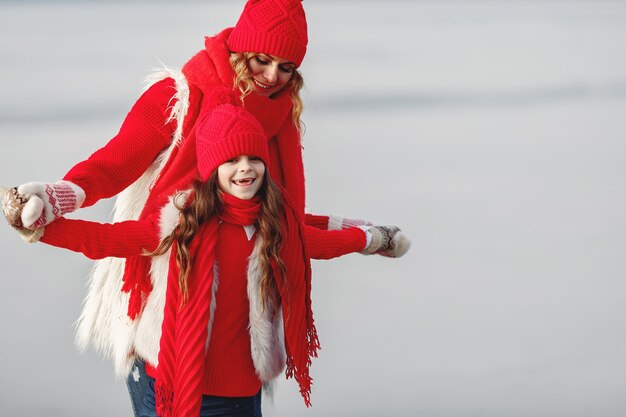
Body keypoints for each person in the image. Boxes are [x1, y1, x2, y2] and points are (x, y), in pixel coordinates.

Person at [3, 0, 410, 415]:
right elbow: (114, 165)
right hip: (169, 309)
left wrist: (365, 234)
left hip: (244, 327)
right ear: (239, 50)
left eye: (286, 67)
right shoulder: (179, 97)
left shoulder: (278, 116)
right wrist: (56, 200)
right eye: (262, 60)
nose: (272, 77)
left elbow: (277, 216)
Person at [8, 104, 323, 417]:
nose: (245, 168)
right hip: (183, 393)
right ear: (212, 167)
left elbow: (320, 241)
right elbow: (111, 240)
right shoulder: (182, 221)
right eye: (232, 159)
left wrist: (370, 239)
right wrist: (43, 231)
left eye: (254, 158)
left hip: (246, 396)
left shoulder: (275, 226)